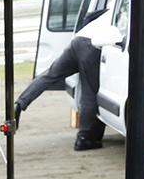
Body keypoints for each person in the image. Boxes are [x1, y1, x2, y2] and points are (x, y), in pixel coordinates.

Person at [10, 9, 120, 151]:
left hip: (78, 40)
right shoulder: (122, 6)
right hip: (92, 46)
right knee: (90, 92)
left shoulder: (109, 9)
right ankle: (84, 138)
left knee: (49, 75)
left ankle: (19, 104)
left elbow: (88, 17)